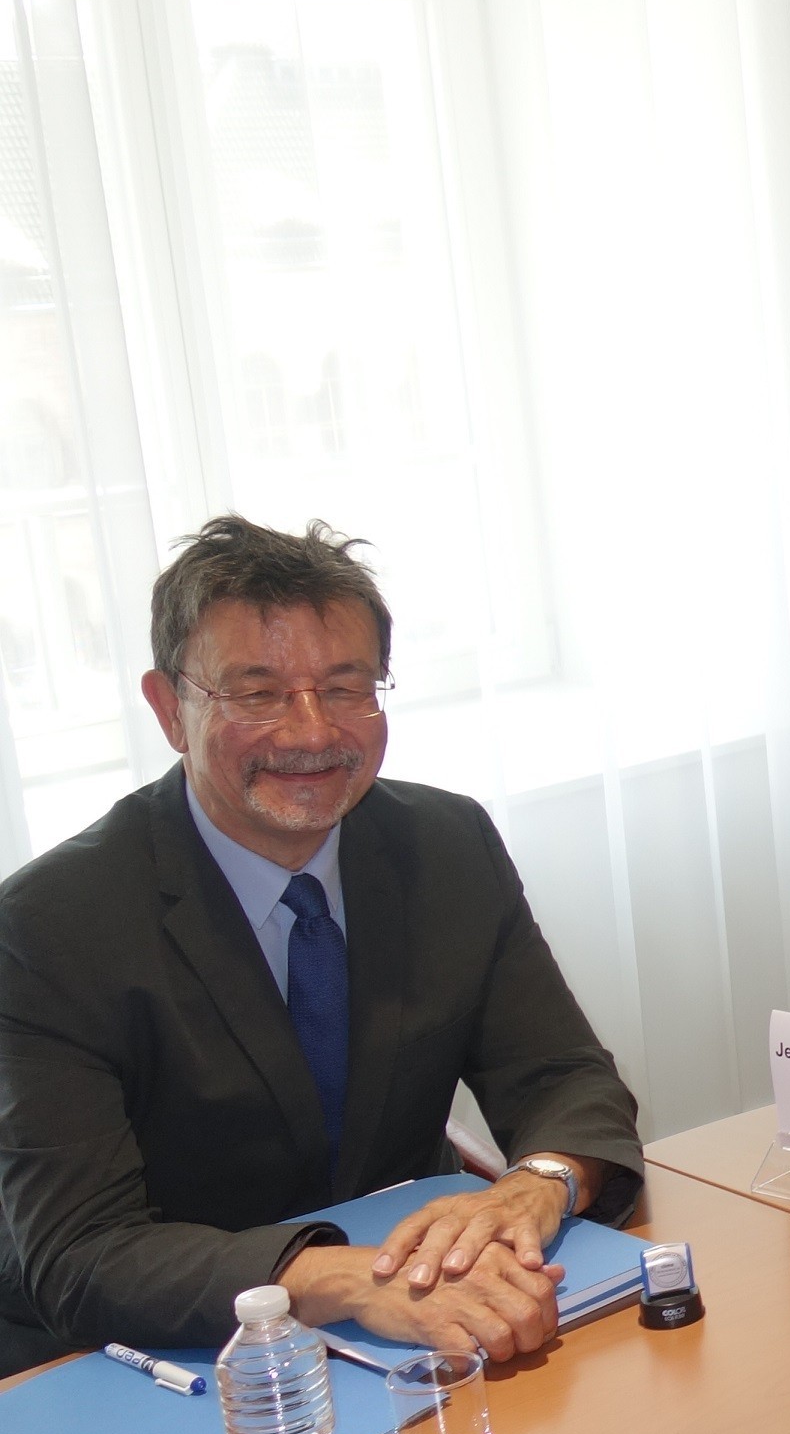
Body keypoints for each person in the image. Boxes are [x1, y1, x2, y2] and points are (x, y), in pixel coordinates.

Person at [0, 520, 645, 1377]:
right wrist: (346, 1279)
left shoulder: (446, 844)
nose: (310, 732)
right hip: (157, 1358)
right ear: (169, 710)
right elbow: (80, 1249)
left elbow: (563, 1075)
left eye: (346, 687)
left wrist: (540, 1182)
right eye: (257, 693)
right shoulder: (50, 925)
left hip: (426, 1333)